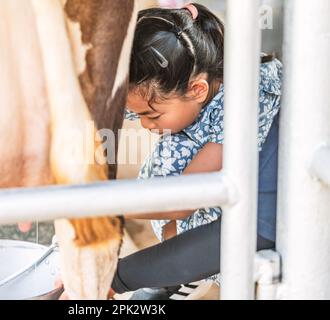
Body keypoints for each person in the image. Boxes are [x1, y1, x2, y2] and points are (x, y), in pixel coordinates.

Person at [110, 2, 282, 297]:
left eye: (151, 115)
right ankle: (172, 271)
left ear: (198, 90)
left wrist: (99, 206)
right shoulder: (180, 84)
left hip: (213, 201)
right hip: (190, 197)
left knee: (180, 218)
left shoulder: (243, 103)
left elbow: (184, 199)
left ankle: (181, 272)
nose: (145, 125)